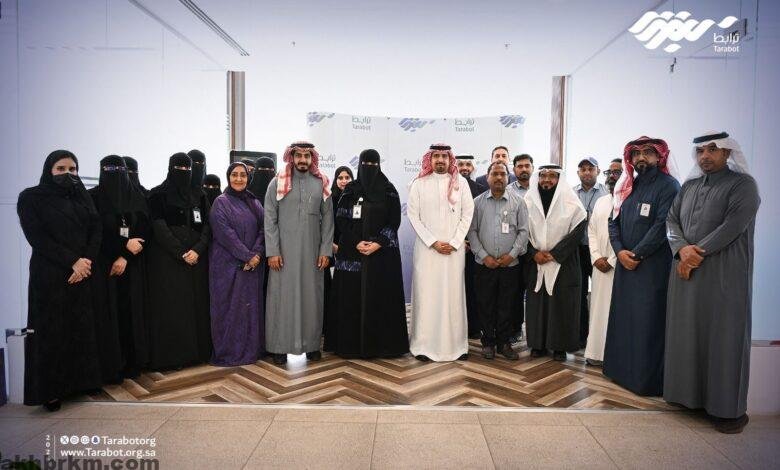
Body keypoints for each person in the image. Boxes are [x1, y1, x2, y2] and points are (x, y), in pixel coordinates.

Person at [664, 132, 760, 434]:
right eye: (701, 151)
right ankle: (689, 399)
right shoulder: (689, 186)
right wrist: (681, 249)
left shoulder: (743, 185)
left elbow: (734, 225)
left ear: (727, 152)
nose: (705, 156)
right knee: (687, 336)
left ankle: (726, 411)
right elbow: (671, 221)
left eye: (713, 149)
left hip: (723, 277)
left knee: (724, 339)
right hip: (686, 274)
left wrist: (694, 254)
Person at [17, 150, 102, 411]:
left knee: (79, 328)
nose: (68, 174)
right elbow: (37, 237)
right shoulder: (31, 197)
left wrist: (86, 261)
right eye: (61, 169)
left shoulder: (82, 196)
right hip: (50, 274)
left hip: (82, 273)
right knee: (51, 331)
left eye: (72, 169)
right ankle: (50, 391)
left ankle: (80, 382)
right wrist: (72, 261)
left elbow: (96, 228)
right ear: (49, 171)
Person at [603, 136, 680, 396]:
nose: (641, 157)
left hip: (651, 268)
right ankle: (620, 373)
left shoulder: (669, 186)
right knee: (625, 320)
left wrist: (636, 254)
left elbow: (663, 226)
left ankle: (644, 381)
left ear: (660, 156)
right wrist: (619, 251)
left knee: (648, 323)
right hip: (626, 266)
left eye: (647, 152)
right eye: (635, 153)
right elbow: (613, 222)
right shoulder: (627, 185)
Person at [332, 149, 409, 358]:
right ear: (359, 165)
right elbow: (341, 219)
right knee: (351, 298)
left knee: (382, 296)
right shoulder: (350, 190)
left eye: (373, 164)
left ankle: (383, 347)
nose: (369, 168)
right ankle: (351, 346)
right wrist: (356, 242)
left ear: (379, 165)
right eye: (366, 164)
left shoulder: (389, 190)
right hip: (353, 252)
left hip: (382, 253)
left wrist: (378, 243)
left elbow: (394, 221)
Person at [264, 141, 334, 365]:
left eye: (307, 156)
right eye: (299, 156)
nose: (303, 160)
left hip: (313, 254)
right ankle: (279, 347)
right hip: (283, 254)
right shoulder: (277, 182)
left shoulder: (321, 183)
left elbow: (328, 220)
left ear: (312, 158)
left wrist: (325, 250)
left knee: (312, 299)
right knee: (282, 298)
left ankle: (311, 345)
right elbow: (269, 219)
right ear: (291, 157)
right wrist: (272, 251)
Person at [407, 143, 475, 362]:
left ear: (449, 159)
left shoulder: (461, 183)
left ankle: (457, 346)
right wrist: (433, 242)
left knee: (453, 297)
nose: (440, 160)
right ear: (430, 159)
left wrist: (455, 242)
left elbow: (467, 214)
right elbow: (413, 216)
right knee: (427, 296)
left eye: (444, 156)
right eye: (435, 156)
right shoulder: (418, 183)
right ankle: (423, 346)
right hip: (427, 251)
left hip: (454, 252)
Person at [146, 153, 212, 370]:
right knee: (174, 309)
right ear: (170, 168)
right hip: (169, 263)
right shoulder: (157, 195)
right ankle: (174, 357)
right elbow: (159, 227)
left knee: (197, 307)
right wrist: (181, 252)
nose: (184, 173)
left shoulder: (200, 196)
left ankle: (198, 353)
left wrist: (197, 250)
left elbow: (207, 226)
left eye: (187, 169)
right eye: (179, 168)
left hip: (196, 261)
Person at [89, 155, 151, 380]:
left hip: (132, 265)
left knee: (131, 313)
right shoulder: (93, 197)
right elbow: (94, 232)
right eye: (109, 169)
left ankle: (133, 362)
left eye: (119, 169)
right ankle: (112, 366)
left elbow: (145, 228)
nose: (115, 174)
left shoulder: (136, 196)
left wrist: (125, 256)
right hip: (105, 266)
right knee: (109, 313)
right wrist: (121, 247)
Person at [523, 165, 587, 361]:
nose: (547, 180)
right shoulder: (527, 201)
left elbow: (577, 232)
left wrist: (554, 254)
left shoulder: (572, 203)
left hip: (564, 262)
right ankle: (538, 345)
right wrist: (534, 253)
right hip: (536, 262)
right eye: (543, 176)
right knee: (537, 304)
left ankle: (560, 347)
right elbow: (521, 231)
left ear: (560, 180)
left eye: (552, 176)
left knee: (562, 305)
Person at [467, 162, 528, 360]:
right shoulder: (477, 203)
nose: (499, 177)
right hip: (484, 265)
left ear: (508, 177)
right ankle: (488, 343)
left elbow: (524, 232)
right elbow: (472, 232)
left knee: (507, 305)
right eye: (495, 174)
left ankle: (504, 343)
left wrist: (512, 255)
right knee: (485, 304)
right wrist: (484, 256)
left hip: (510, 265)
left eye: (503, 174)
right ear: (487, 177)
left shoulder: (519, 202)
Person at [209, 162, 266, 366]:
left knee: (249, 308)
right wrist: (247, 255)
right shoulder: (220, 202)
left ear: (248, 178)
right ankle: (229, 352)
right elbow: (225, 234)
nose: (239, 179)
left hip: (252, 266)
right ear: (228, 177)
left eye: (243, 175)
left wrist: (256, 254)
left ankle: (252, 350)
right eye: (234, 175)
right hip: (227, 267)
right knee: (230, 309)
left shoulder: (254, 202)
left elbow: (264, 228)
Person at [584, 158, 622, 366]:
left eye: (617, 172)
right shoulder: (601, 201)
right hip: (599, 265)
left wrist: (612, 260)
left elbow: (630, 235)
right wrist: (596, 256)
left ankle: (613, 356)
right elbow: (591, 231)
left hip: (620, 267)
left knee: (614, 311)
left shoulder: (629, 200)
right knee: (597, 311)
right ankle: (596, 353)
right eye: (609, 172)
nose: (612, 177)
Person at [574, 157, 609, 348]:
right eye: (583, 169)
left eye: (590, 169)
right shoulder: (571, 193)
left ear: (598, 171)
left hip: (599, 252)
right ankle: (581, 335)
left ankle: (599, 337)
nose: (587, 172)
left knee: (598, 294)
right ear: (578, 172)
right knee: (578, 294)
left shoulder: (606, 193)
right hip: (577, 250)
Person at [323, 165, 353, 352]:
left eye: (347, 177)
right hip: (332, 250)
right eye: (340, 178)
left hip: (351, 251)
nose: (344, 181)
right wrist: (332, 246)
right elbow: (324, 226)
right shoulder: (329, 199)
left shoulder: (356, 198)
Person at [456, 154, 484, 339]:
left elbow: (482, 220)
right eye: (461, 164)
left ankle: (474, 327)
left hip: (475, 249)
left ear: (473, 168)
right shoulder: (448, 188)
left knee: (474, 289)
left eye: (468, 164)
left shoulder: (481, 190)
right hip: (453, 246)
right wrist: (459, 240)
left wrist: (471, 242)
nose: (464, 168)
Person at [507, 153, 534, 346]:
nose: (523, 169)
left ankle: (535, 331)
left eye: (527, 166)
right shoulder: (508, 191)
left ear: (532, 168)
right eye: (520, 166)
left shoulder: (541, 188)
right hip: (515, 249)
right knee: (515, 292)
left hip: (536, 249)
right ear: (514, 169)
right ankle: (515, 329)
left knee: (534, 292)